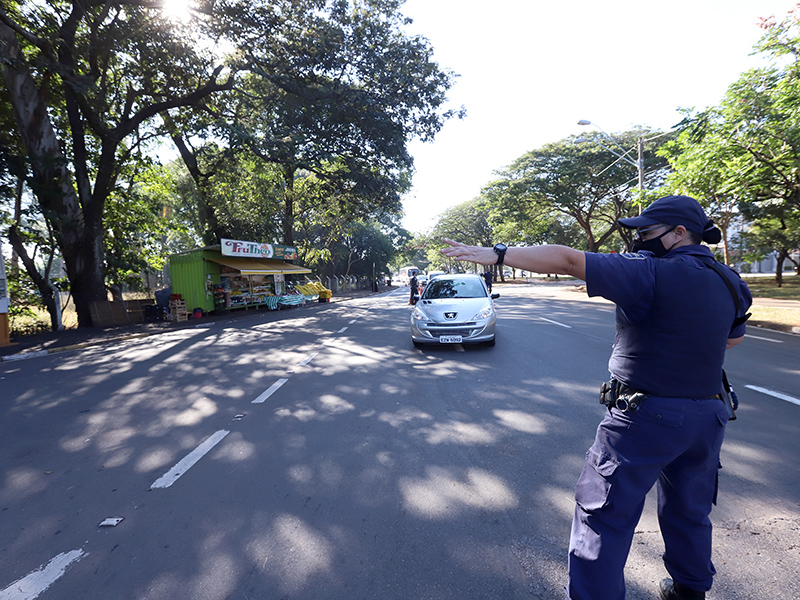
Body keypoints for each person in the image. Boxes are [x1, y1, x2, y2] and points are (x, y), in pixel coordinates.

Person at [441, 195, 752, 600]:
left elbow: (569, 260)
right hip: (708, 417)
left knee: (602, 517)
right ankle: (690, 590)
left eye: (647, 232)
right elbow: (733, 338)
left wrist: (498, 254)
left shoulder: (650, 272)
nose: (640, 240)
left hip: (646, 418)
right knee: (690, 510)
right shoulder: (730, 280)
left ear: (680, 233)